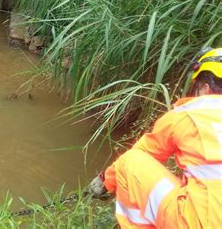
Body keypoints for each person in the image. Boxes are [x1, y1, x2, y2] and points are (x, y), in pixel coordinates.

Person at [89, 47, 222, 228]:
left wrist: (105, 183)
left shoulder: (187, 116)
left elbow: (144, 154)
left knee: (130, 161)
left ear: (205, 88)